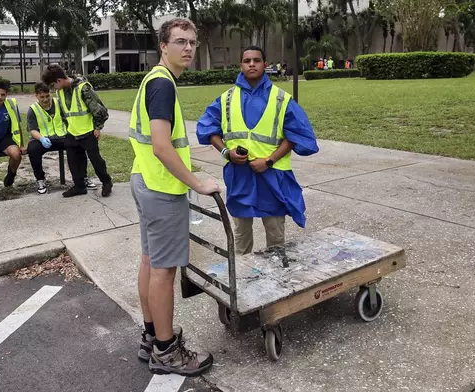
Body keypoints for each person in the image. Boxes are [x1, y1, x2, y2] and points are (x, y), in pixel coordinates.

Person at [129, 17, 220, 377]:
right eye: (180, 41)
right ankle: (166, 352)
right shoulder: (162, 85)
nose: (188, 48)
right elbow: (164, 147)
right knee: (163, 271)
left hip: (144, 181)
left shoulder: (154, 80)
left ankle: (152, 336)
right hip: (162, 189)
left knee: (151, 262)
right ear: (163, 46)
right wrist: (196, 183)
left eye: (192, 43)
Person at [197, 45, 319, 255]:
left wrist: (269, 161)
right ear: (241, 65)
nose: (251, 64)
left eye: (256, 60)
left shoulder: (281, 99)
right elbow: (208, 129)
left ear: (265, 65)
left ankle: (278, 281)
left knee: (275, 237)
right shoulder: (226, 99)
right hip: (240, 176)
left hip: (272, 177)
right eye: (247, 61)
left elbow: (295, 135)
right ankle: (243, 281)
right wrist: (227, 153)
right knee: (242, 239)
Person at [41, 64, 113, 197]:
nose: (52, 89)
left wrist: (97, 128)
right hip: (72, 133)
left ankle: (106, 182)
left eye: (52, 85)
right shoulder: (60, 92)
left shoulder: (83, 88)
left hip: (88, 132)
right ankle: (79, 186)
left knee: (96, 160)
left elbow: (101, 111)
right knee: (73, 161)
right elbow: (65, 113)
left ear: (59, 80)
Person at [27, 82, 79, 194]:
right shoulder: (33, 109)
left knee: (77, 144)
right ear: (36, 95)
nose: (45, 99)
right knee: (33, 149)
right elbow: (32, 130)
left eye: (47, 96)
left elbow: (67, 119)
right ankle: (40, 179)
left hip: (62, 136)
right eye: (42, 97)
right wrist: (41, 139)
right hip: (44, 138)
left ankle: (81, 178)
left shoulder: (58, 103)